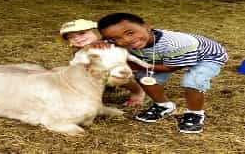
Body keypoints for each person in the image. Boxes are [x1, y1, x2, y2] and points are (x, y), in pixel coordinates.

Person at [96, 13, 228, 133]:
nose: (125, 40)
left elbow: (172, 67)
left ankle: (195, 113)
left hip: (207, 56)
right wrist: (98, 43)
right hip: (167, 57)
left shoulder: (175, 44)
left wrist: (138, 65)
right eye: (114, 39)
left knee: (193, 81)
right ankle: (163, 105)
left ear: (147, 26)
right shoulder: (120, 43)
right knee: (143, 76)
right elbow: (100, 43)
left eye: (130, 33)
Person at [59, 19, 145, 106]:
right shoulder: (80, 54)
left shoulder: (109, 44)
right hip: (98, 75)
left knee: (119, 76)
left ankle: (137, 91)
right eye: (71, 37)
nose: (77, 38)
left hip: (118, 72)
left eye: (82, 33)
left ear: (97, 33)